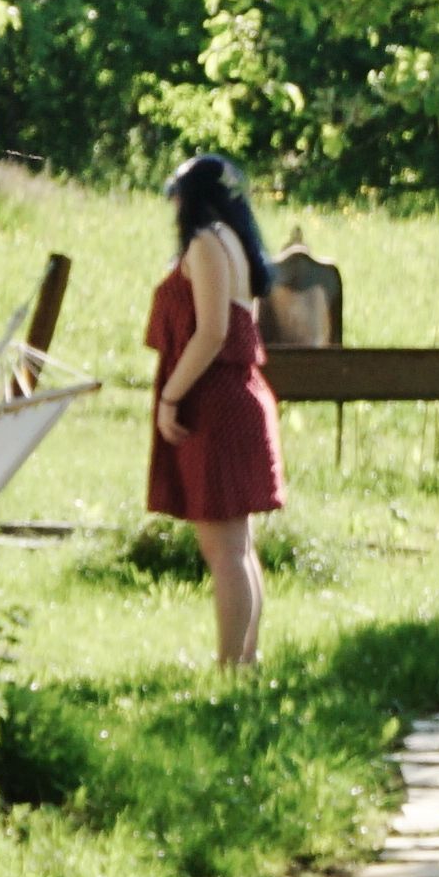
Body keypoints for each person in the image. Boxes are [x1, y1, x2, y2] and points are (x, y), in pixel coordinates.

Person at [145, 150, 286, 668]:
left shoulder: (206, 244)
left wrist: (171, 396)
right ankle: (245, 661)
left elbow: (212, 332)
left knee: (224, 551)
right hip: (239, 396)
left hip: (216, 403)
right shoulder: (237, 241)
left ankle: (230, 665)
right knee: (238, 546)